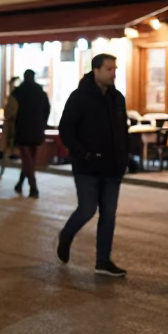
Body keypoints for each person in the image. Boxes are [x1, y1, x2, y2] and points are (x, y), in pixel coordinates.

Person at [57, 54, 129, 278]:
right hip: (87, 167)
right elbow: (66, 129)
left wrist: (124, 158)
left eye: (114, 68)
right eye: (108, 69)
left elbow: (122, 130)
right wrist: (83, 154)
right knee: (88, 209)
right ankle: (66, 235)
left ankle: (103, 261)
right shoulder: (79, 97)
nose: (113, 73)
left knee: (109, 215)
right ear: (95, 70)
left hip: (113, 167)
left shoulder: (117, 98)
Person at [10, 70, 50, 198]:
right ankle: (20, 183)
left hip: (22, 129)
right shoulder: (40, 92)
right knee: (30, 159)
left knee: (27, 159)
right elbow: (47, 108)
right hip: (37, 129)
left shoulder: (19, 91)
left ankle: (34, 187)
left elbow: (10, 109)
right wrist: (43, 123)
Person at [0, 75, 20, 179]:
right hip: (17, 128)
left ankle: (1, 173)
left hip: (12, 129)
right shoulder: (18, 96)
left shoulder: (14, 97)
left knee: (7, 152)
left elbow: (8, 113)